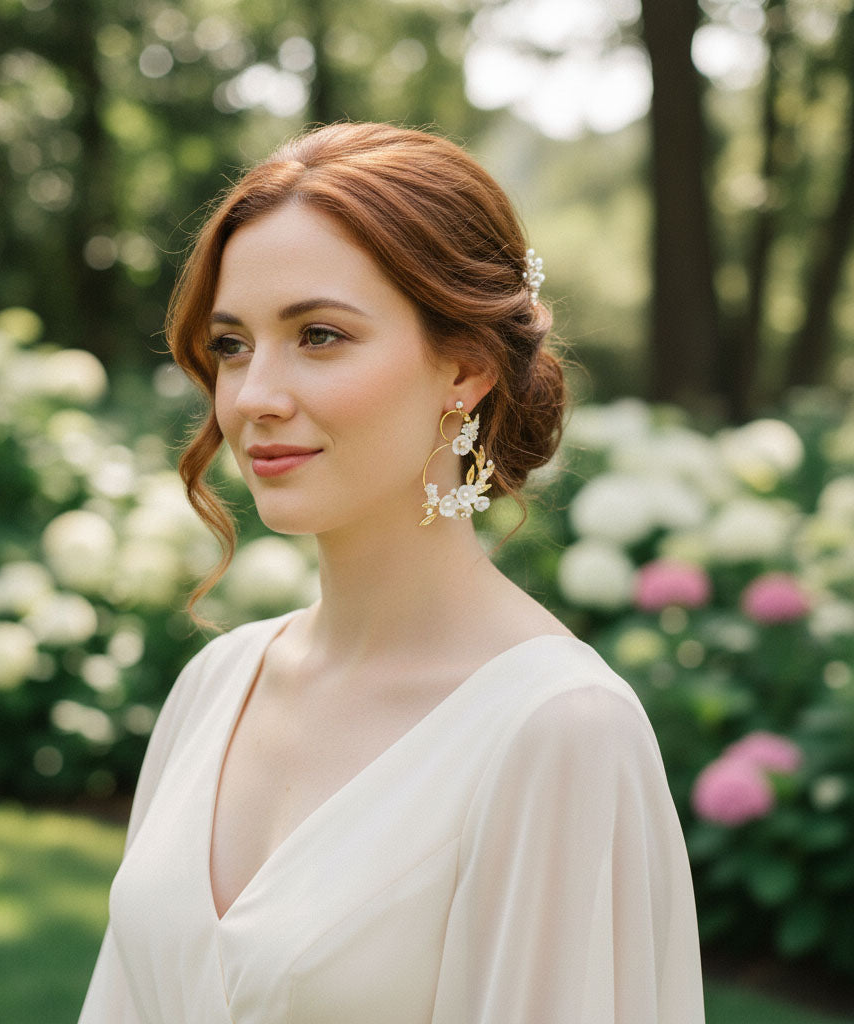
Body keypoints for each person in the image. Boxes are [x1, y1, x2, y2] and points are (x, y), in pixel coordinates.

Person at [79, 121, 705, 1024]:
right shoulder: (216, 686)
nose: (254, 396)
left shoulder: (557, 731)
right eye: (232, 345)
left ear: (466, 365)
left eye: (320, 335)